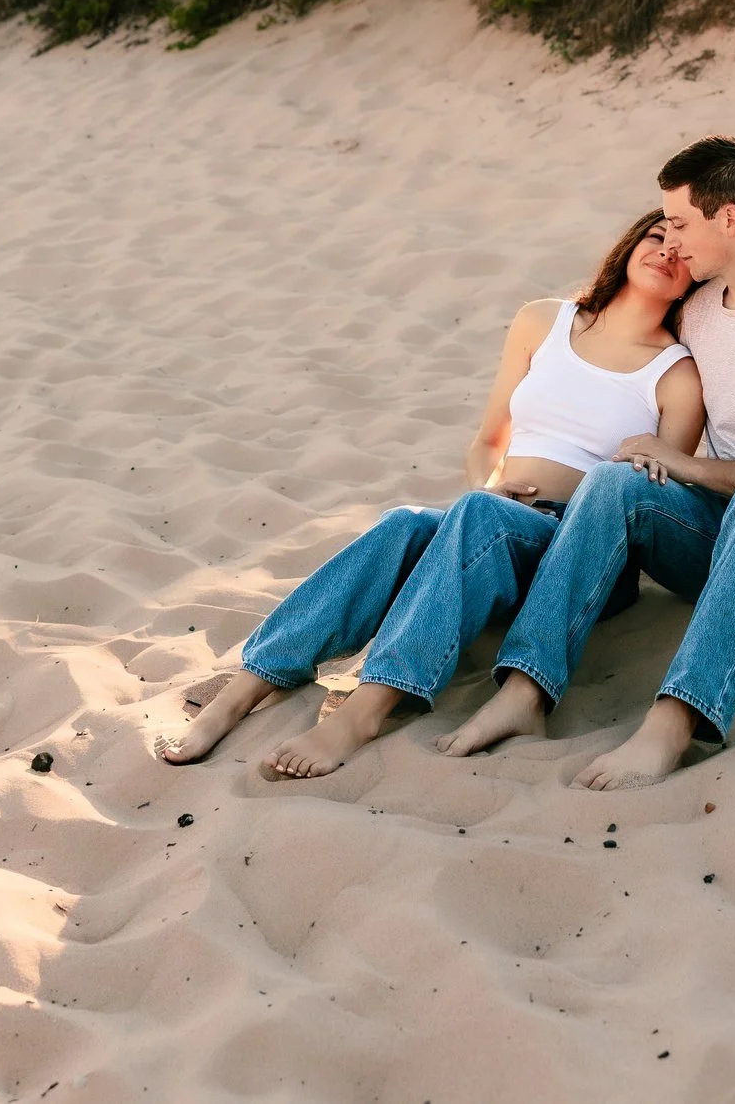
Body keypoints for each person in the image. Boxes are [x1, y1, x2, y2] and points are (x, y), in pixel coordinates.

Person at [157, 210, 704, 777]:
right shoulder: (543, 321)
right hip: (498, 520)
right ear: (629, 245)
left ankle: (368, 709)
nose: (666, 251)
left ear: (697, 273)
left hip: (582, 557)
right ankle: (244, 689)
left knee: (476, 514)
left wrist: (488, 507)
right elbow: (487, 442)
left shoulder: (676, 375)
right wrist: (489, 488)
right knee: (405, 524)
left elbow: (648, 502)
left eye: (681, 249)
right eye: (655, 236)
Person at [437, 136, 735, 790]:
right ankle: (526, 689)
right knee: (614, 482)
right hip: (726, 540)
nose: (670, 240)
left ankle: (673, 723)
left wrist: (686, 466)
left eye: (678, 222)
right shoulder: (698, 311)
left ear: (728, 218)